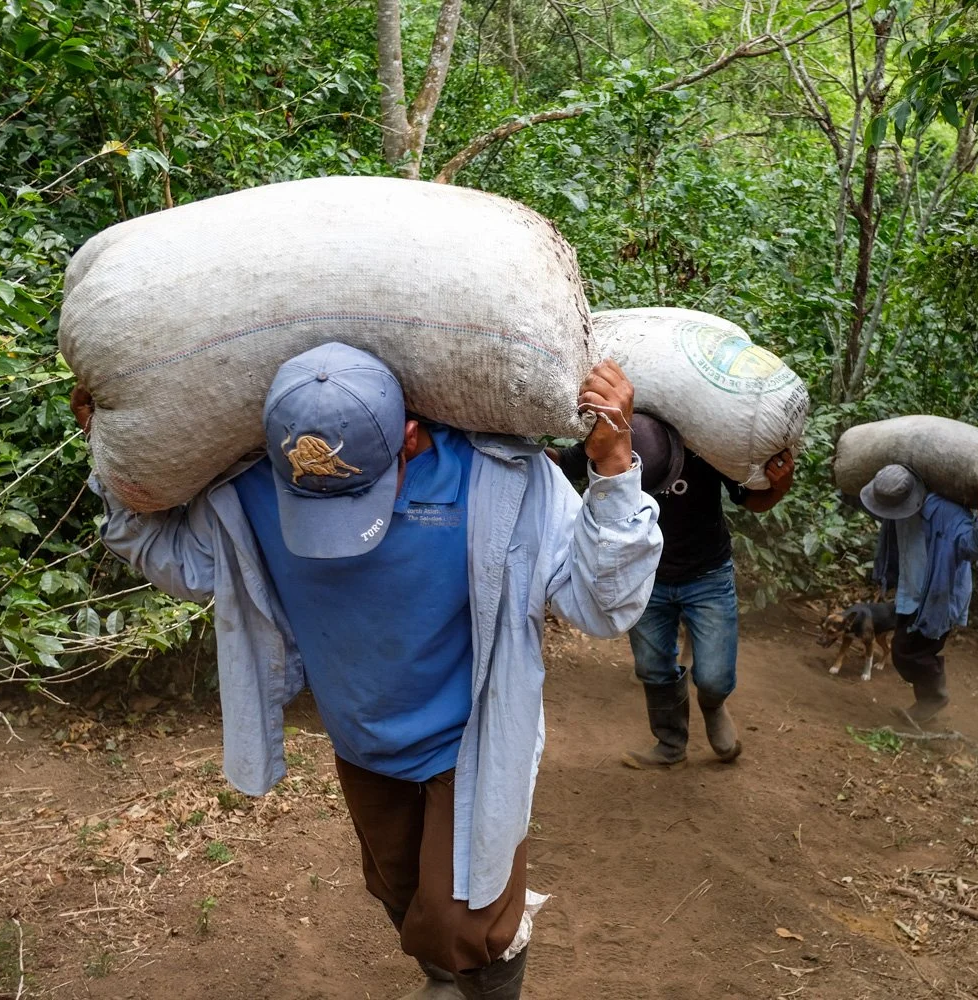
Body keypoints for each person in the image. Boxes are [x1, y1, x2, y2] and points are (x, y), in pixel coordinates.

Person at [71, 343, 662, 1000]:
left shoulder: (499, 483)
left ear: (411, 435)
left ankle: (484, 980)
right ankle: (444, 976)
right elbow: (181, 561)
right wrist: (112, 457)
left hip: (468, 740)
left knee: (471, 915)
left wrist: (614, 473)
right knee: (396, 887)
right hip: (359, 738)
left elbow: (602, 605)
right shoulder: (245, 493)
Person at [552, 420, 794, 768]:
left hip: (707, 573)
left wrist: (779, 486)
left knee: (713, 676)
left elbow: (751, 500)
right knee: (652, 668)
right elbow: (562, 461)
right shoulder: (618, 437)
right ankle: (670, 744)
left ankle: (713, 706)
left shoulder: (706, 445)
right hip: (645, 578)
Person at [861, 465, 978, 725]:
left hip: (938, 596)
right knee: (908, 650)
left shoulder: (946, 513)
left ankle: (934, 698)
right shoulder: (895, 507)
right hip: (910, 592)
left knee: (907, 652)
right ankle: (927, 705)